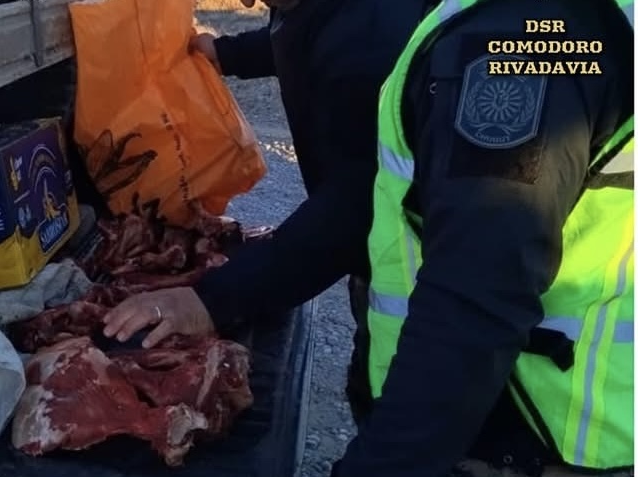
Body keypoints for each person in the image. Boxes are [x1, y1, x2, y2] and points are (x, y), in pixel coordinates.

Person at [106, 0, 635, 476]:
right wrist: (230, 52)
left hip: (531, 424)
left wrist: (217, 298)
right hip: (499, 399)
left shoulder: (518, 41)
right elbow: (317, 31)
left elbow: (472, 301)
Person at [103, 0, 429, 421]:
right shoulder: (320, 11)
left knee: (403, 410)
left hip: (422, 271)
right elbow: (300, 35)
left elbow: (353, 208)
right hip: (379, 245)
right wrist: (228, 52)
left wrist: (213, 300)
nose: (245, 3)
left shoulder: (371, 38)